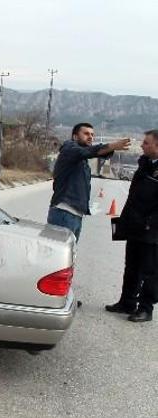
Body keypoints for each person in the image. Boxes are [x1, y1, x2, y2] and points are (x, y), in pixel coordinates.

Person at [105, 129, 158, 322]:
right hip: (134, 226)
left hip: (152, 231)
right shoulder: (144, 164)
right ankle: (127, 303)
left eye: (146, 142)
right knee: (132, 267)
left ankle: (145, 309)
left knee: (150, 272)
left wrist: (148, 223)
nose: (142, 145)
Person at [47, 123, 131, 241]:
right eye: (86, 134)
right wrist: (112, 146)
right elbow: (89, 151)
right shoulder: (69, 149)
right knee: (57, 255)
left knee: (69, 255)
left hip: (75, 215)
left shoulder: (81, 159)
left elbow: (92, 152)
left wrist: (110, 149)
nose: (91, 137)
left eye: (92, 134)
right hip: (64, 213)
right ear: (75, 137)